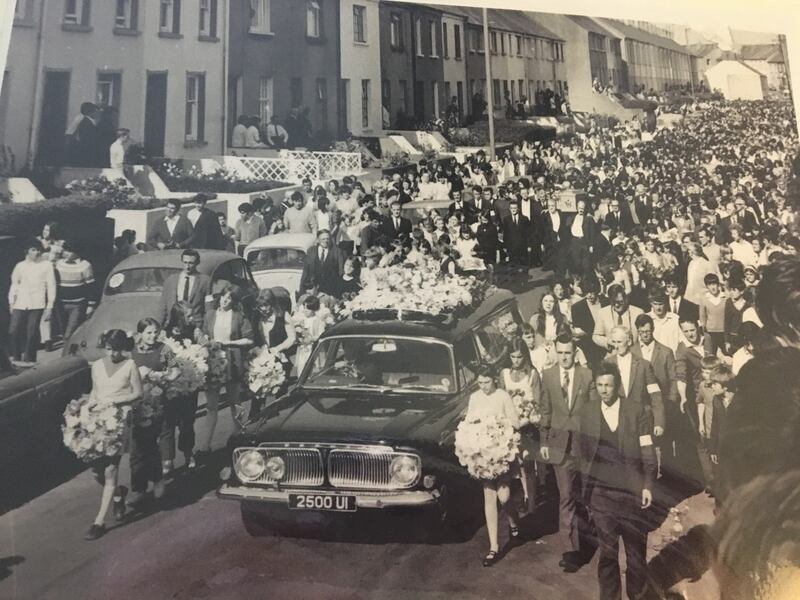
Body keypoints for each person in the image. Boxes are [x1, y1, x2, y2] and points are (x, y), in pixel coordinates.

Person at [577, 362, 656, 600]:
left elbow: (647, 450)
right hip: (601, 495)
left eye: (608, 385)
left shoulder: (636, 410)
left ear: (617, 386)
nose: (603, 390)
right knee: (608, 554)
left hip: (631, 493)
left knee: (635, 555)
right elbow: (582, 453)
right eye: (599, 385)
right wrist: (586, 493)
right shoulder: (588, 412)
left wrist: (648, 486)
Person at [539, 334, 597, 572]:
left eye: (568, 353)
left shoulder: (587, 375)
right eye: (560, 352)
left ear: (575, 353)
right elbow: (545, 409)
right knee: (566, 497)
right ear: (555, 352)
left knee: (587, 496)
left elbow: (595, 410)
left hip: (584, 446)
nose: (564, 357)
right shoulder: (549, 375)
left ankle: (592, 539)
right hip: (559, 445)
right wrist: (543, 440)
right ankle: (571, 551)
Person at [85, 330, 142, 540]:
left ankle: (98, 522)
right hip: (98, 423)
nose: (111, 354)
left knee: (111, 469)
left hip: (119, 422)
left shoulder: (130, 365)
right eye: (108, 349)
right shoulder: (98, 366)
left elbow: (138, 393)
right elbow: (95, 391)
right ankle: (118, 494)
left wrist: (115, 401)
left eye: (115, 350)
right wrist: (88, 406)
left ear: (123, 348)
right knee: (97, 472)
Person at [465, 364, 521, 567]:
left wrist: (499, 428)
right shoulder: (475, 398)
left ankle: (514, 521)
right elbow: (469, 423)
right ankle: (494, 547)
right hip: (483, 456)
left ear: (494, 380)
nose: (483, 386)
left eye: (486, 382)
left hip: (501, 453)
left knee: (504, 497)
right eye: (480, 382)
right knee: (489, 497)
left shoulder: (503, 396)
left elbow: (515, 423)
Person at [196, 284, 254, 458]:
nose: (225, 301)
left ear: (234, 301)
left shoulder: (238, 316)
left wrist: (230, 343)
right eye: (223, 297)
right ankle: (205, 444)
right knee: (212, 406)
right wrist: (205, 340)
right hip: (213, 361)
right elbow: (205, 334)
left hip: (231, 362)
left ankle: (239, 436)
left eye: (229, 298)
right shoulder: (210, 314)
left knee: (234, 403)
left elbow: (249, 339)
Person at [128, 318, 169, 512]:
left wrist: (155, 375)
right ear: (140, 334)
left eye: (155, 332)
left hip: (157, 403)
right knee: (136, 448)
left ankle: (158, 480)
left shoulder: (164, 350)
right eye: (149, 333)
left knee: (151, 445)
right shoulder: (132, 352)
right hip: (135, 404)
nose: (153, 336)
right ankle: (138, 489)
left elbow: (175, 371)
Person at [499, 338, 543, 513]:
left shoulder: (532, 374)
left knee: (527, 461)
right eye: (512, 357)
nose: (516, 361)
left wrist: (528, 417)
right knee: (517, 463)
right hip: (510, 425)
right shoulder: (504, 373)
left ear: (525, 356)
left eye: (519, 357)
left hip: (528, 424)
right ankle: (526, 493)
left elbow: (537, 402)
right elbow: (501, 397)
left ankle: (531, 498)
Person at [604, 326, 665, 438]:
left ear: (629, 341)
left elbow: (655, 395)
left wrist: (659, 422)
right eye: (614, 342)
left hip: (641, 421)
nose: (616, 346)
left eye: (620, 342)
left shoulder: (644, 365)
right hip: (615, 421)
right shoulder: (607, 364)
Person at [8, 240, 57, 364]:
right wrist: (11, 302)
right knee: (13, 330)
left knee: (32, 332)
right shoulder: (20, 266)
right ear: (27, 251)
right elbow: (14, 284)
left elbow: (51, 285)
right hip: (20, 302)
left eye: (38, 250)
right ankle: (16, 357)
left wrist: (50, 306)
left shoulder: (46, 265)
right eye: (33, 250)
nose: (37, 252)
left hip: (37, 303)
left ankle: (30, 359)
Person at [250, 290, 297, 418]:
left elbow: (292, 338)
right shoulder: (257, 317)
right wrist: (257, 349)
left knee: (279, 395)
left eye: (266, 305)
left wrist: (278, 348)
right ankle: (254, 420)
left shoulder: (283, 315)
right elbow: (252, 337)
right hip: (262, 359)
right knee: (258, 393)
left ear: (272, 304)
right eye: (260, 306)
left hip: (281, 359)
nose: (263, 309)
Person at [158, 250, 212, 335]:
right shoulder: (171, 280)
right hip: (172, 325)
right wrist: (159, 328)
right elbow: (163, 306)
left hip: (194, 326)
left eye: (191, 263)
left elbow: (208, 308)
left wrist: (204, 330)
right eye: (185, 262)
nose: (187, 266)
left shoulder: (205, 281)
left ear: (197, 263)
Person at [55, 241, 98, 341]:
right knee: (63, 330)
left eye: (69, 251)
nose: (66, 253)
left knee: (70, 333)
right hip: (61, 303)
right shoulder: (59, 264)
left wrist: (91, 305)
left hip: (77, 304)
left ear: (77, 252)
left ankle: (67, 352)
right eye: (65, 250)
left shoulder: (85, 265)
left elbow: (91, 286)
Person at [592, 284, 644, 352]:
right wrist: (608, 341)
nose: (616, 305)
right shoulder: (602, 313)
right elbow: (596, 336)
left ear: (626, 299)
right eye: (613, 302)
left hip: (634, 354)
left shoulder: (638, 312)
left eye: (620, 302)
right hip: (613, 355)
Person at [299, 230, 345, 298]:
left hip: (331, 290)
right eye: (323, 239)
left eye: (328, 239)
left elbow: (341, 272)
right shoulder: (311, 251)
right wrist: (302, 291)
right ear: (318, 240)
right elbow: (306, 271)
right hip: (313, 290)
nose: (326, 241)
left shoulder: (337, 252)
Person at [698, 273, 727, 356]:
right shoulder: (704, 299)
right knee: (711, 355)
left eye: (714, 284)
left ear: (718, 284)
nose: (713, 287)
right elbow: (702, 316)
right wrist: (704, 331)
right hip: (710, 332)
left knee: (727, 354)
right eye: (710, 285)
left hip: (724, 331)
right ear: (707, 286)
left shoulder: (725, 297)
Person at [502, 200, 531, 269]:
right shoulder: (506, 219)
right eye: (511, 208)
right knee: (513, 267)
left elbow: (528, 234)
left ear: (518, 209)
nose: (513, 210)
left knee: (523, 267)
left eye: (515, 208)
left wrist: (529, 245)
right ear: (509, 209)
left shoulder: (524, 219)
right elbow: (505, 234)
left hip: (522, 247)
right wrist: (505, 246)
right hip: (511, 248)